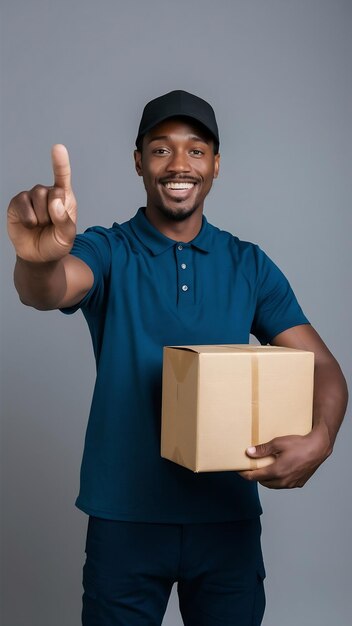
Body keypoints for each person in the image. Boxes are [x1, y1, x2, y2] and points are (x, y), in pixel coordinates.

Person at [7, 90, 348, 626]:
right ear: (139, 162)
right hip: (125, 519)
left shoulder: (249, 264)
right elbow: (49, 289)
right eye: (161, 150)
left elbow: (324, 368)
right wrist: (35, 261)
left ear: (215, 164)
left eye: (195, 150)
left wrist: (322, 438)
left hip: (226, 519)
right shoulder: (108, 249)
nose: (179, 165)